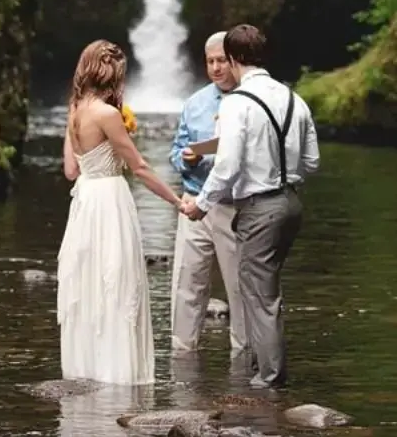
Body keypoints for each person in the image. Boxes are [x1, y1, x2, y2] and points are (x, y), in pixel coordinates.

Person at [183, 24, 320, 388]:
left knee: (260, 295)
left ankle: (268, 380)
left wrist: (201, 203)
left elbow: (226, 166)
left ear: (232, 58)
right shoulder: (296, 99)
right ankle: (265, 371)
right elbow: (311, 162)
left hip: (259, 208)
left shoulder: (236, 104)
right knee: (266, 288)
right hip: (291, 203)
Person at [58, 40, 184, 385]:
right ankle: (118, 376)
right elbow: (140, 167)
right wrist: (178, 202)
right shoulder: (108, 115)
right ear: (112, 73)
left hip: (85, 201)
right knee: (117, 281)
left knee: (89, 282)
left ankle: (85, 370)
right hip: (110, 201)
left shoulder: (75, 111)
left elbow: (71, 170)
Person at [169, 32, 247, 355]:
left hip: (233, 207)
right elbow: (175, 151)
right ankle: (182, 356)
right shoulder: (195, 103)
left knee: (239, 288)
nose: (215, 68)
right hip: (193, 201)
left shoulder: (249, 101)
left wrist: (212, 158)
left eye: (221, 61)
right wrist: (186, 159)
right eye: (210, 61)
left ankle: (244, 359)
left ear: (235, 61)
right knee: (187, 285)